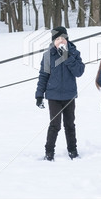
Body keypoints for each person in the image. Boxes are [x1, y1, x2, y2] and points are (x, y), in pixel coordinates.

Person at [35, 26, 85, 161]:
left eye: (63, 38)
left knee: (69, 124)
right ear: (53, 41)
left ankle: (73, 151)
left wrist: (67, 57)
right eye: (57, 39)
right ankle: (49, 152)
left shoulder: (74, 53)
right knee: (55, 125)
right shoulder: (48, 55)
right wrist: (39, 95)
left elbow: (79, 72)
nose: (60, 41)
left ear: (67, 39)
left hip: (69, 95)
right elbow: (43, 76)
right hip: (53, 96)